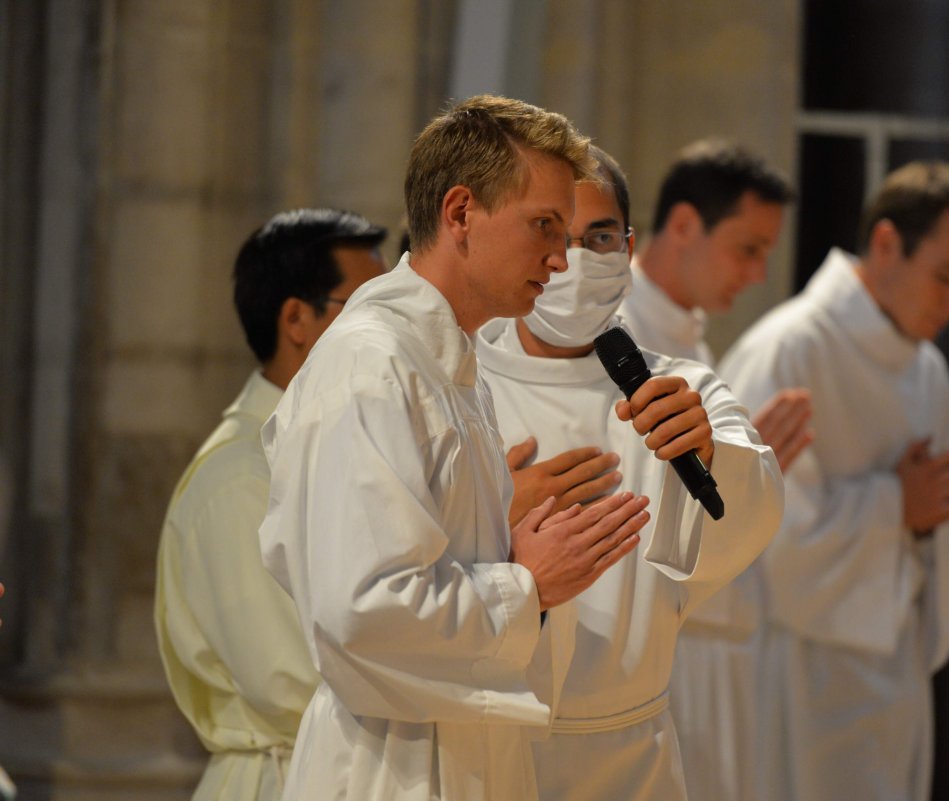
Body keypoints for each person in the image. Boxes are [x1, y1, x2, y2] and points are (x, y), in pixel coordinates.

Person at [257, 95, 651, 801]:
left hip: (464, 755)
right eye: (544, 227)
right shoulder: (371, 365)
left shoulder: (451, 365)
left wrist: (517, 550)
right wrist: (527, 582)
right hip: (391, 767)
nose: (560, 260)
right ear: (461, 212)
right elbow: (362, 611)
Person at [476, 145, 784, 801]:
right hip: (485, 746)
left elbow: (750, 507)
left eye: (599, 236)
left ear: (628, 245)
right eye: (554, 233)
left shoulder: (678, 386)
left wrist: (710, 452)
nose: (578, 258)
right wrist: (491, 518)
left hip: (627, 753)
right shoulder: (458, 380)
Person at [719, 160, 949, 801]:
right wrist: (898, 505)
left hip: (893, 674)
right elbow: (754, 535)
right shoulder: (790, 350)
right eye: (947, 278)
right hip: (796, 674)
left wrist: (926, 520)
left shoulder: (927, 370)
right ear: (884, 245)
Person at [154, 208, 387, 801]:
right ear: (296, 319)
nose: (390, 332)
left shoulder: (346, 445)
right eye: (369, 310)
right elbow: (294, 682)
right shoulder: (239, 478)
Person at [618, 139, 812, 801]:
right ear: (681, 225)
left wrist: (744, 472)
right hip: (652, 654)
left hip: (708, 650)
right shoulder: (617, 332)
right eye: (747, 247)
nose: (758, 272)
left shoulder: (690, 340)